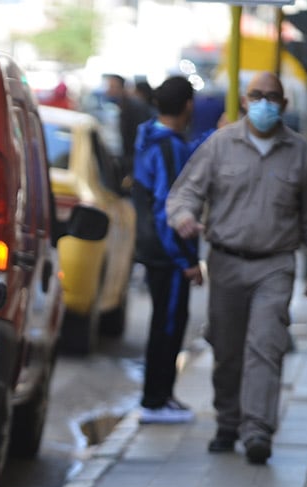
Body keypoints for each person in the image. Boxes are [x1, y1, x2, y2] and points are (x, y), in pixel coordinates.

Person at [166, 71, 307, 465]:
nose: (264, 103)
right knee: (227, 349)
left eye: (272, 97)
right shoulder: (220, 145)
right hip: (225, 263)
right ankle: (228, 421)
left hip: (274, 266)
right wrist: (185, 217)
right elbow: (185, 193)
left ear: (284, 105)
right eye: (256, 95)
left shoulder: (300, 152)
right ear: (244, 100)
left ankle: (258, 429)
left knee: (266, 347)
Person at [133, 76, 208, 424]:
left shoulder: (151, 136)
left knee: (165, 320)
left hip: (156, 250)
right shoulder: (168, 148)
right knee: (168, 324)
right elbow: (171, 210)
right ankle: (156, 399)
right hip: (168, 253)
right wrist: (188, 260)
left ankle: (159, 396)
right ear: (188, 106)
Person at [104, 73, 152, 183]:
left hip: (135, 166)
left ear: (121, 88)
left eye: (112, 87)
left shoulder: (134, 107)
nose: (108, 90)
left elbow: (140, 140)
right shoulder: (123, 106)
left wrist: (132, 172)